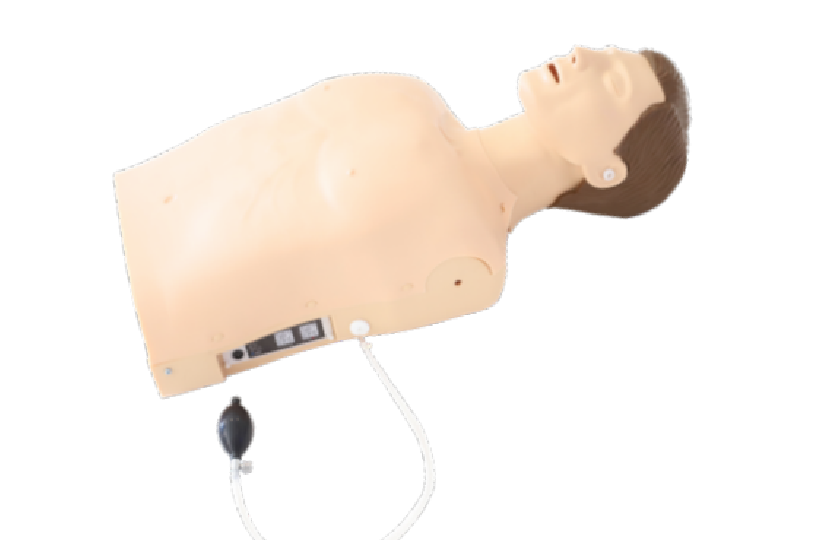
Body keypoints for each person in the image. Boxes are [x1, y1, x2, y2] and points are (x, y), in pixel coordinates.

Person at [115, 45, 689, 397]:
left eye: (612, 83)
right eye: (605, 52)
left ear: (606, 170)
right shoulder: (414, 95)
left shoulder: (471, 262)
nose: (582, 54)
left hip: (140, 317)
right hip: (131, 195)